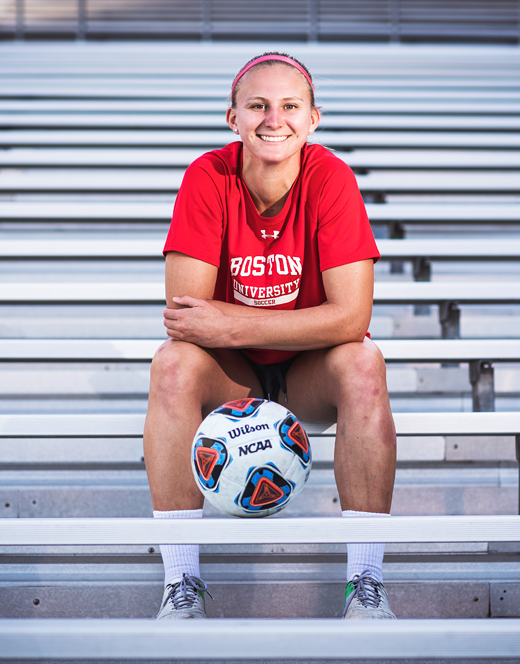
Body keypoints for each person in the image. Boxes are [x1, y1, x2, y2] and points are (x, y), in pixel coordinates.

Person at [143, 52, 397, 620]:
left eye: (289, 106)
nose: (272, 119)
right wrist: (242, 326)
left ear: (313, 120)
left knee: (363, 362)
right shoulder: (208, 175)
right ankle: (181, 586)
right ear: (232, 118)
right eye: (257, 105)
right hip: (232, 373)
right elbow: (186, 317)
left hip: (310, 374)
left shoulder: (330, 177)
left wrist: (230, 320)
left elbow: (351, 319)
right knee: (173, 363)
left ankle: (366, 585)